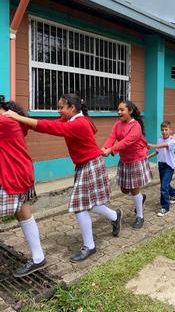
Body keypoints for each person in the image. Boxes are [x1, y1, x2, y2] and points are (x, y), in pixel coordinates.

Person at [5, 94, 122, 263]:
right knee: (90, 203)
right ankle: (114, 216)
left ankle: (90, 246)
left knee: (80, 206)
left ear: (72, 108)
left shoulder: (79, 123)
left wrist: (17, 116)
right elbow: (48, 125)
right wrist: (22, 122)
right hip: (86, 165)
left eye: (61, 107)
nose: (58, 110)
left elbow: (51, 128)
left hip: (91, 164)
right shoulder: (72, 120)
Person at [0, 99, 46, 277]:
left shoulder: (5, 121)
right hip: (20, 171)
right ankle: (38, 258)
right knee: (24, 214)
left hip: (12, 175)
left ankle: (38, 257)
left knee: (24, 214)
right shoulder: (13, 121)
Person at [102, 101, 152, 230]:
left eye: (122, 110)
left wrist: (111, 150)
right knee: (124, 190)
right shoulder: (117, 124)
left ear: (130, 111)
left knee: (134, 189)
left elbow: (127, 142)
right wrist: (105, 147)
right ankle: (140, 198)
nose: (119, 112)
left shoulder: (136, 126)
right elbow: (112, 137)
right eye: (118, 110)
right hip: (124, 160)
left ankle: (140, 216)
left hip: (136, 160)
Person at [148, 121, 175, 217]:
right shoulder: (159, 139)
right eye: (162, 130)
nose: (164, 132)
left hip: (169, 166)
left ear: (170, 130)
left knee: (164, 187)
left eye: (166, 130)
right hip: (161, 165)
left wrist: (151, 145)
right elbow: (157, 151)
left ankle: (165, 207)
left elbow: (164, 146)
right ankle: (173, 193)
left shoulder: (172, 140)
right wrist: (147, 157)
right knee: (165, 184)